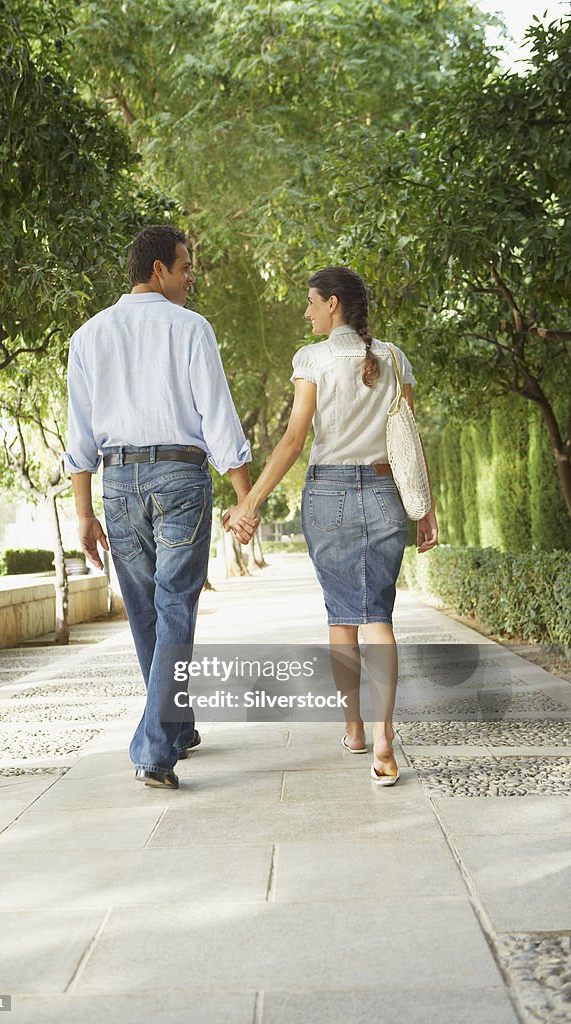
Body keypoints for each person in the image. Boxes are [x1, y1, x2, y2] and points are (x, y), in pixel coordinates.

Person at [225, 266, 438, 785]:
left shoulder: (312, 360)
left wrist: (250, 501)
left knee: (342, 614)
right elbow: (406, 443)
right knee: (378, 616)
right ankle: (383, 738)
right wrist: (426, 507)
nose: (307, 311)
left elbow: (295, 440)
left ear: (334, 304)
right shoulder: (393, 358)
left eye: (311, 302)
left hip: (327, 496)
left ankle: (355, 729)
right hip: (388, 493)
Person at [64, 225, 256, 790]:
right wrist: (246, 496)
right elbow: (219, 418)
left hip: (118, 482)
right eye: (184, 265)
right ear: (157, 270)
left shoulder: (88, 336)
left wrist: (83, 512)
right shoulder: (191, 328)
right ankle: (155, 747)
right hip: (179, 477)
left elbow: (80, 435)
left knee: (147, 610)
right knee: (174, 606)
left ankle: (175, 724)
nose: (190, 275)